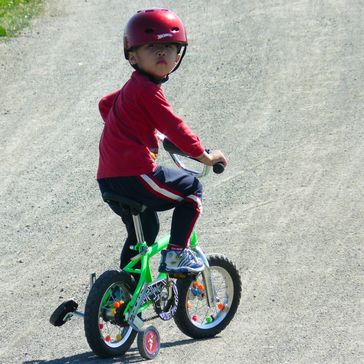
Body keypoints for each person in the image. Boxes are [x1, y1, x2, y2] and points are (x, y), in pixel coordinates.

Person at [97, 8, 227, 274]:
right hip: (137, 173)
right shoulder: (147, 89)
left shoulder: (132, 88)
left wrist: (134, 129)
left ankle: (124, 294)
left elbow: (105, 104)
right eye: (152, 47)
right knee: (191, 190)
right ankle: (177, 255)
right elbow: (174, 125)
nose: (162, 53)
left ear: (179, 55)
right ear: (133, 56)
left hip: (109, 178)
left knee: (145, 231)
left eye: (169, 47)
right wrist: (204, 156)